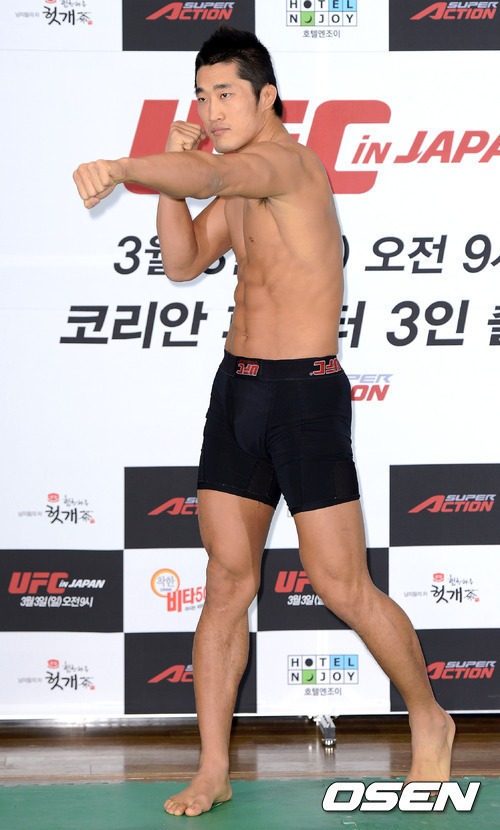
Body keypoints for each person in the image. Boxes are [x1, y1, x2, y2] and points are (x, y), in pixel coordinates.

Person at [73, 26, 455, 818]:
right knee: (224, 582)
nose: (210, 109)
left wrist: (125, 167)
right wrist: (170, 180)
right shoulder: (239, 189)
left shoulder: (287, 165)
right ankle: (213, 767)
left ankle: (430, 716)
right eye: (201, 95)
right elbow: (183, 262)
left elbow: (217, 170)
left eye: (225, 94)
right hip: (238, 396)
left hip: (304, 400)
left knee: (341, 584)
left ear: (267, 98)